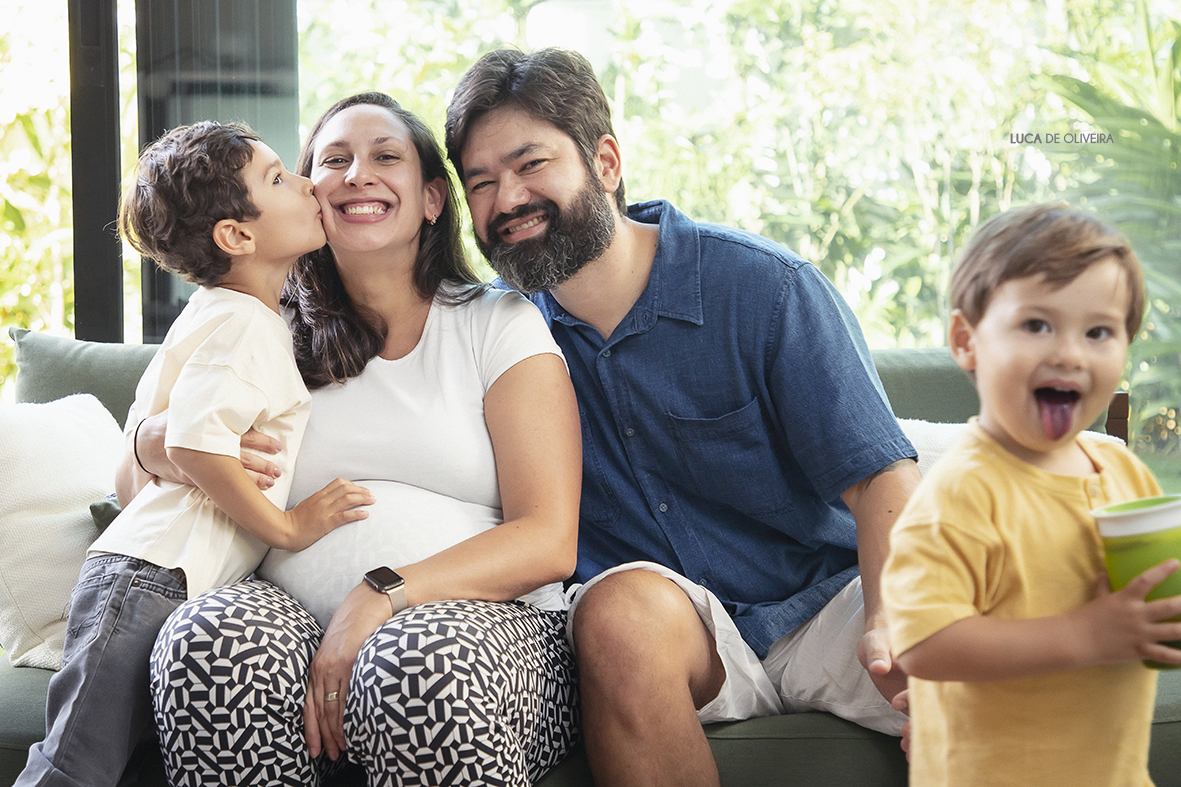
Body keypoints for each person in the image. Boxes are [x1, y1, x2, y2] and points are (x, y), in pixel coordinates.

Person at [443, 47, 923, 787]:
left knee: (983, 659)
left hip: (827, 607)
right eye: (481, 182)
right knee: (616, 613)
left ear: (604, 160)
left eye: (530, 164)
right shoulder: (494, 340)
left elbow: (881, 478)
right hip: (676, 639)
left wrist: (897, 622)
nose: (506, 199)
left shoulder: (764, 289)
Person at [130, 93, 583, 786]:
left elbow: (549, 537)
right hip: (290, 614)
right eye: (333, 160)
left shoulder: (499, 322)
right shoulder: (251, 324)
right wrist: (163, 442)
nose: (355, 174)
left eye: (385, 157)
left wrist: (382, 593)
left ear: (432, 198)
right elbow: (132, 490)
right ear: (308, 198)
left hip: (492, 626)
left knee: (416, 664)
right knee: (205, 641)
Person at [19, 121, 375, 787]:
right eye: (278, 178)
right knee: (73, 769)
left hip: (158, 577)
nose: (305, 183)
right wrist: (288, 527)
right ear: (235, 236)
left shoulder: (231, 313)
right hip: (148, 574)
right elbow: (191, 442)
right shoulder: (243, 322)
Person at [881, 202, 1178, 786]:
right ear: (967, 341)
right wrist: (1089, 635)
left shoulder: (1117, 465)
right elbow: (921, 642)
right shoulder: (962, 492)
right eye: (1037, 325)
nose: (1069, 352)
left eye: (1099, 331)